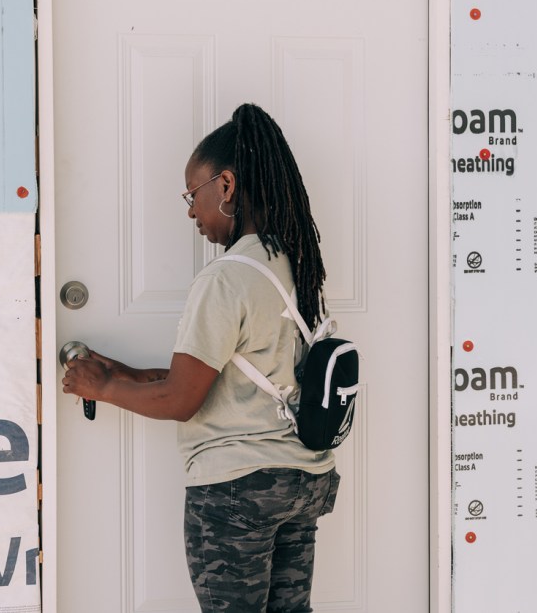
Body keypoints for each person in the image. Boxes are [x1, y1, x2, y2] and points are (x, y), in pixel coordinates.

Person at [62, 103, 340, 613]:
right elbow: (224, 377)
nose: (191, 212)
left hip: (239, 492)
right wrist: (119, 372)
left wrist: (99, 388)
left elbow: (181, 399)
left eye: (193, 195)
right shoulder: (297, 263)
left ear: (226, 186)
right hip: (302, 483)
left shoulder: (226, 277)